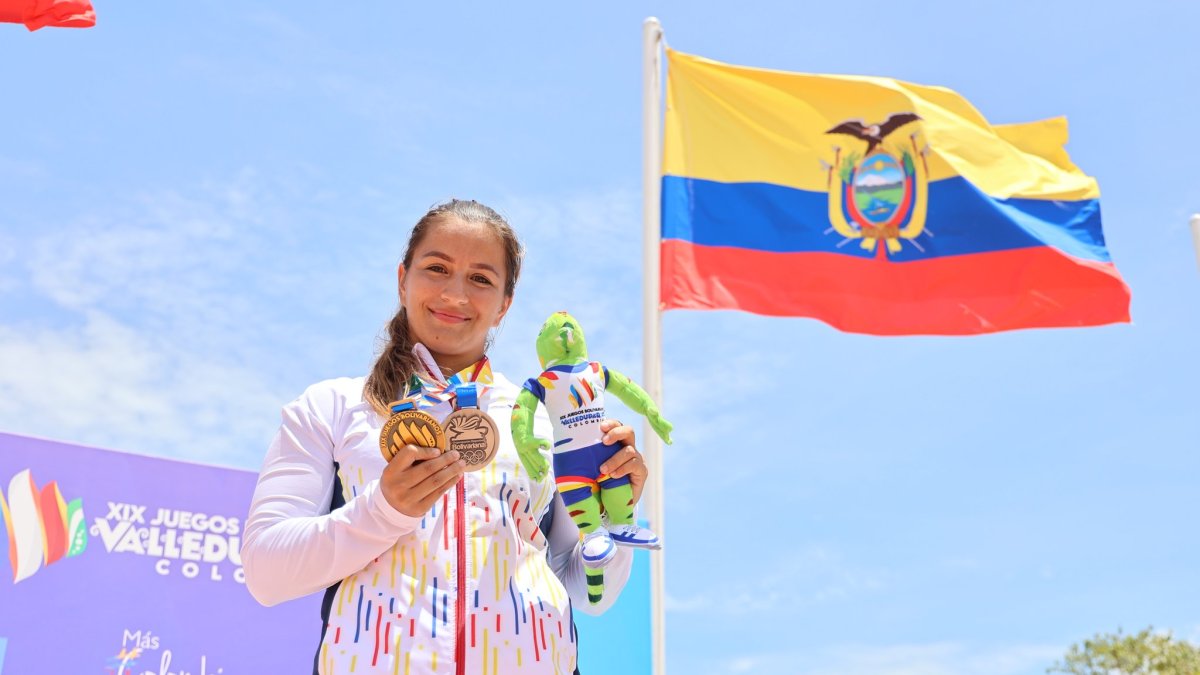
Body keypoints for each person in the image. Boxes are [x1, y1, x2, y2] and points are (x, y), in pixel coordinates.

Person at [242, 199, 650, 675]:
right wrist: (383, 510)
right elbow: (266, 573)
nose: (455, 294)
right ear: (403, 280)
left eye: (481, 278)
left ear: (504, 305)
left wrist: (611, 514)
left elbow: (585, 591)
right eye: (437, 268)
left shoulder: (543, 418)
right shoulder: (331, 407)